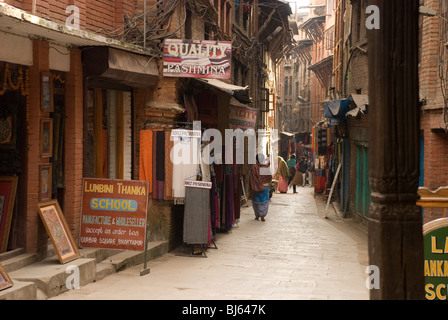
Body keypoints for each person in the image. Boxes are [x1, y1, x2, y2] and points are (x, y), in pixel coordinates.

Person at [249, 154, 272, 221]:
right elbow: (269, 177)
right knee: (264, 202)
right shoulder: (265, 167)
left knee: (256, 202)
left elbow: (251, 178)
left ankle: (257, 215)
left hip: (256, 187)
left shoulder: (254, 167)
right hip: (264, 187)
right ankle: (262, 215)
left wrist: (255, 184)